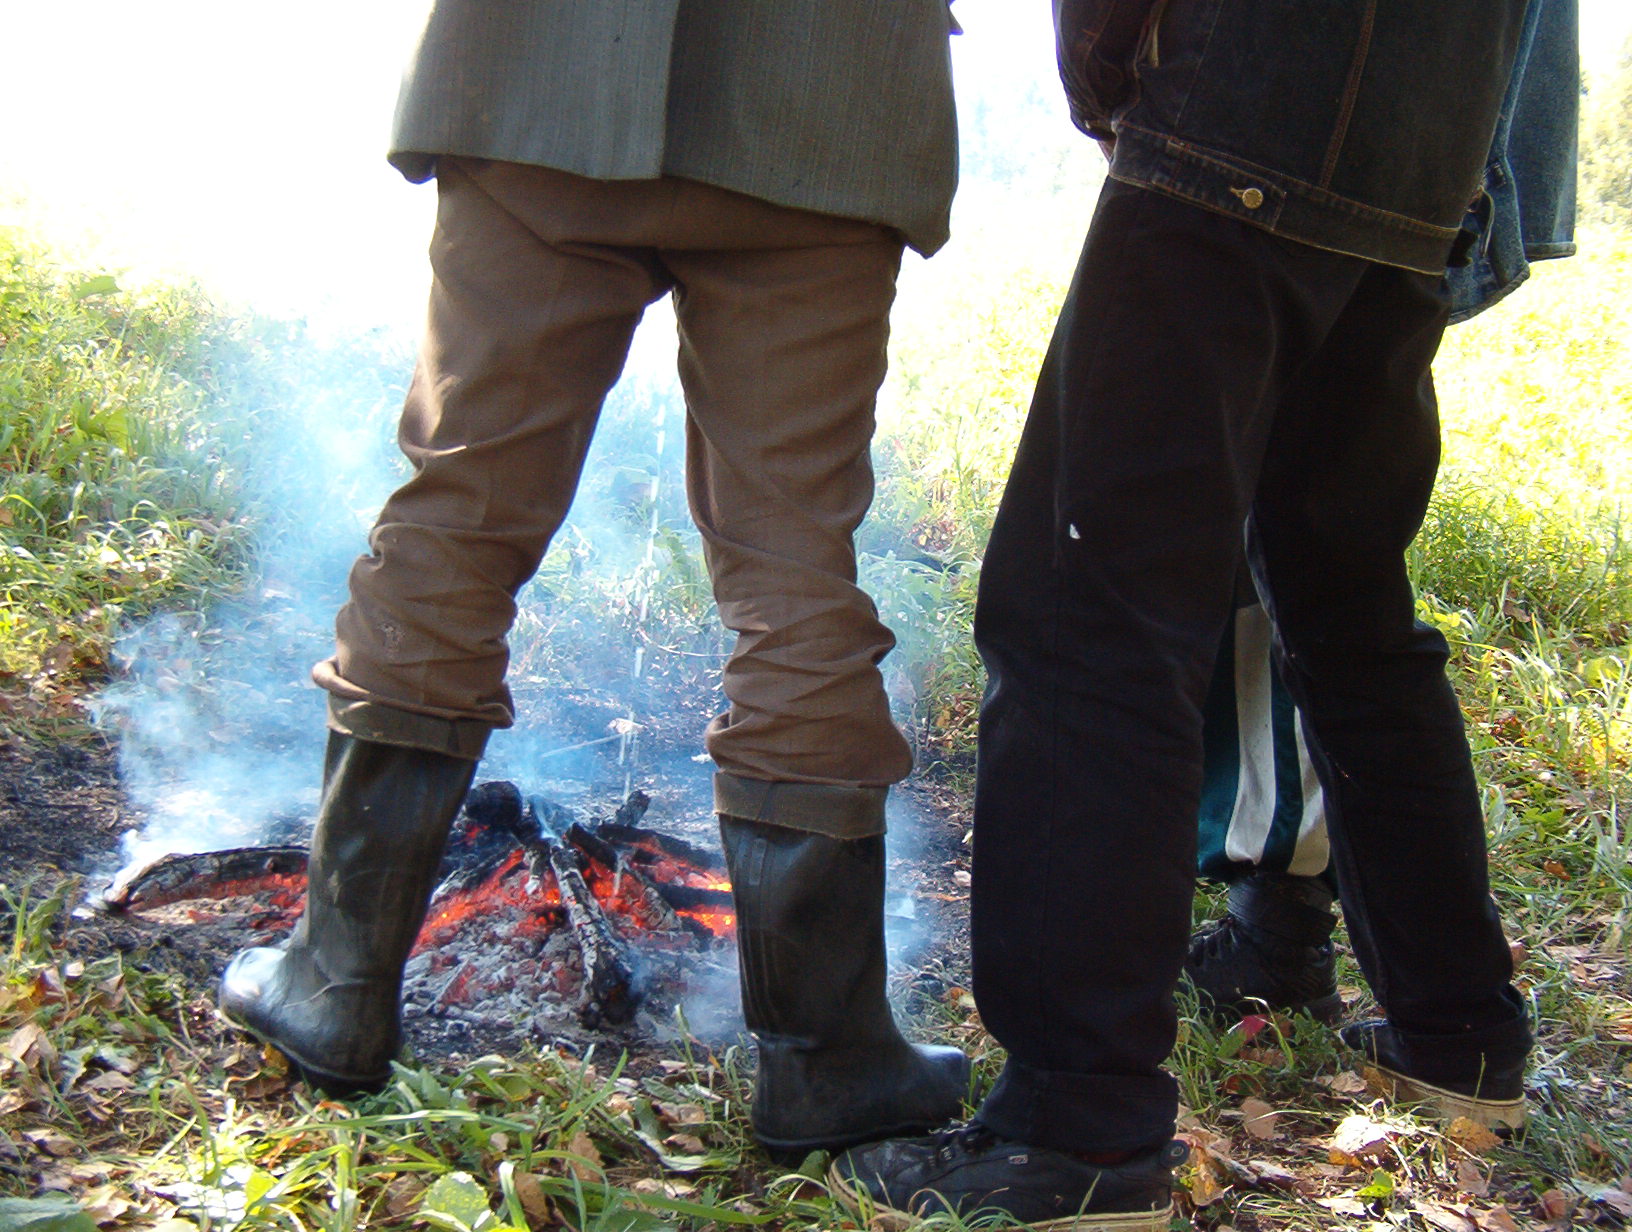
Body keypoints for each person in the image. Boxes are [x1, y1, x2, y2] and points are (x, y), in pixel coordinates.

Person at [217, 0, 972, 1158]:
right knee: (793, 570)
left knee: (457, 515)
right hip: (822, 93)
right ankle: (827, 1056)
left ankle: (335, 980)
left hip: (546, 69)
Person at [833, 0, 1541, 1226]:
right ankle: (1459, 1034)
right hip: (1419, 156)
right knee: (1350, 606)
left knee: (1085, 620)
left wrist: (1113, 69)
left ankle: (1074, 1129)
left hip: (1242, 120)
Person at [1187, 0, 1579, 1025]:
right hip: (1415, 137)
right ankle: (1455, 1015)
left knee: (1305, 568)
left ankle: (1283, 920)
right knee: (1341, 575)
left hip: (1323, 132)